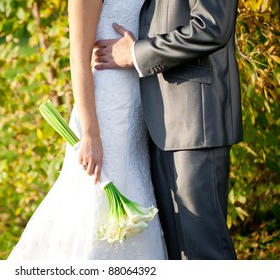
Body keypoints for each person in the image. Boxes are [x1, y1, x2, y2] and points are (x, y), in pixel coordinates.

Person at [7, 0, 167, 260]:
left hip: (138, 106)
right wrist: (91, 135)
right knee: (96, 203)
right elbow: (78, 59)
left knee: (136, 185)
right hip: (106, 113)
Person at [93, 0, 243, 259]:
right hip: (155, 120)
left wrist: (137, 54)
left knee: (204, 253)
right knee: (177, 253)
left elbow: (212, 26)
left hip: (194, 120)